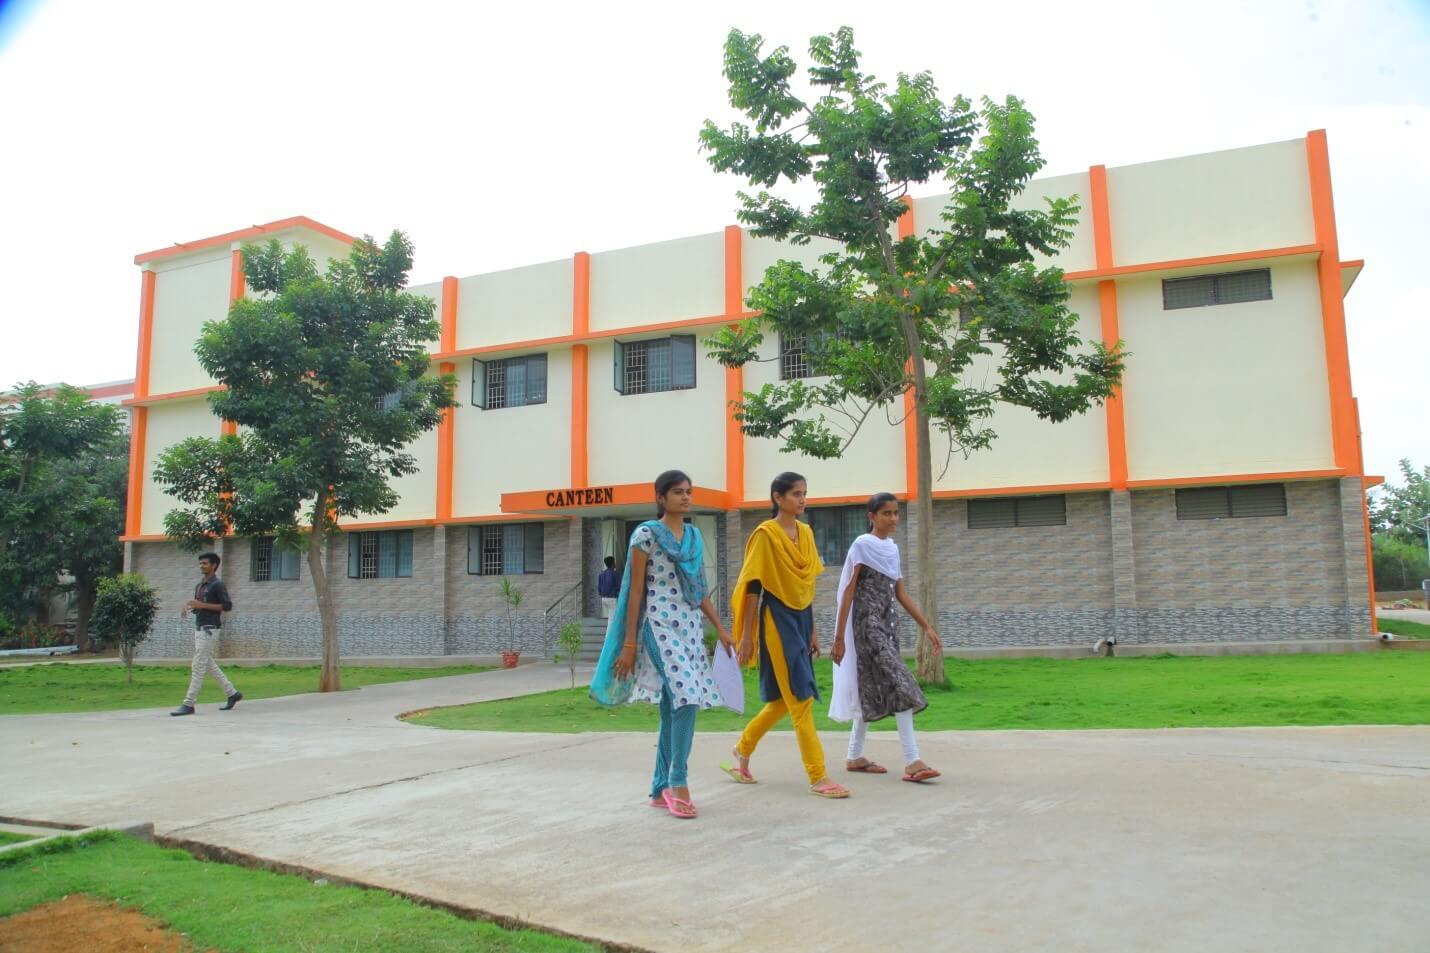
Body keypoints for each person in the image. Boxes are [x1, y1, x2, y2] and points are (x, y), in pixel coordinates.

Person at [589, 470, 732, 819]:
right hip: (658, 624)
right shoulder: (646, 535)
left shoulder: (694, 537)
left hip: (690, 628)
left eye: (688, 491)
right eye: (678, 492)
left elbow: (699, 589)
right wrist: (629, 644)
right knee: (688, 695)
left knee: (674, 704)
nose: (685, 497)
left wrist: (720, 628)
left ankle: (658, 786)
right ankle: (678, 782)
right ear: (660, 498)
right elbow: (635, 590)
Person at [720, 472, 850, 799]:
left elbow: (807, 587)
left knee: (781, 702)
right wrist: (747, 636)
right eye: (795, 494)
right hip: (776, 619)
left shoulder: (806, 533)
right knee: (801, 699)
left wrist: (813, 629)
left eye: (804, 493)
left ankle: (742, 750)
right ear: (778, 498)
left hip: (802, 619)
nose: (802, 499)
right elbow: (753, 587)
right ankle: (818, 776)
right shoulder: (765, 535)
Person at [829, 492, 941, 782]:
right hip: (866, 627)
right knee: (901, 684)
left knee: (869, 687)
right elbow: (848, 591)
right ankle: (913, 761)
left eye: (896, 513)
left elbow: (900, 593)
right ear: (872, 517)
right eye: (886, 513)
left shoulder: (892, 549)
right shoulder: (861, 545)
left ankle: (854, 756)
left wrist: (926, 626)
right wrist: (839, 638)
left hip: (888, 626)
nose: (893, 518)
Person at [171, 551, 242, 717]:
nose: (201, 566)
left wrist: (201, 605)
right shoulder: (200, 585)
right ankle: (232, 693)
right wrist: (191, 606)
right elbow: (199, 606)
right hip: (200, 627)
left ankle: (188, 703)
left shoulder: (217, 585)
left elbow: (227, 606)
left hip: (210, 628)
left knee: (198, 665)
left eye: (205, 563)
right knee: (207, 663)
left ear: (214, 566)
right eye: (200, 563)